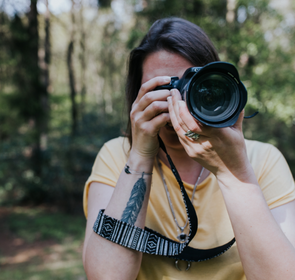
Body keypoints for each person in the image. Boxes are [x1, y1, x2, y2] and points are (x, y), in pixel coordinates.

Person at [82, 17, 295, 280]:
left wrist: (233, 173)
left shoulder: (262, 161)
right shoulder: (117, 156)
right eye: (161, 88)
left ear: (219, 88)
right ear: (136, 96)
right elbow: (105, 276)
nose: (175, 102)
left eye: (190, 86)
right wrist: (140, 156)